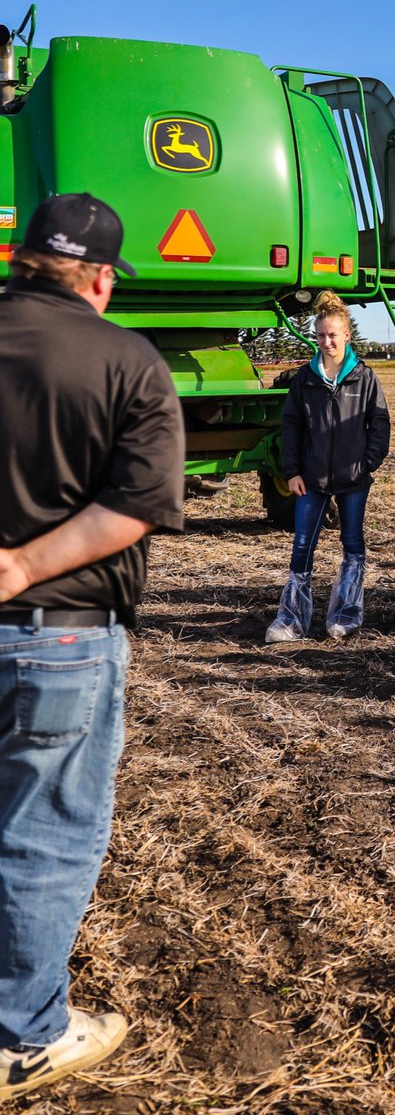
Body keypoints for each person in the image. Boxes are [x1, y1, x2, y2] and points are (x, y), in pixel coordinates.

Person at [0, 194, 185, 1100]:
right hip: (60, 638)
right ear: (102, 278)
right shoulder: (129, 361)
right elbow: (138, 506)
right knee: (42, 834)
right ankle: (21, 1036)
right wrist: (23, 564)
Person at [266, 291, 390, 642]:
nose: (326, 341)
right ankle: (290, 620)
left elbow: (380, 424)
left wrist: (367, 463)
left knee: (352, 543)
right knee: (302, 545)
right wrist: (292, 471)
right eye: (320, 335)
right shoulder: (305, 379)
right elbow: (290, 427)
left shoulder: (364, 378)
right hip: (312, 478)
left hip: (353, 479)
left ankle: (346, 615)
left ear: (347, 335)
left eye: (333, 334)